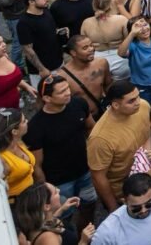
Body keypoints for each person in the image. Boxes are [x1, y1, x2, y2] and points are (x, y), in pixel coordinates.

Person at [24, 74, 97, 230]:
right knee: (64, 216)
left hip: (85, 172)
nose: (68, 93)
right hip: (60, 183)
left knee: (89, 205)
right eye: (62, 91)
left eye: (67, 88)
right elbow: (37, 165)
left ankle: (85, 237)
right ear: (47, 98)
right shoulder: (36, 127)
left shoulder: (79, 104)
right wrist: (46, 192)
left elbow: (91, 127)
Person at [87, 80, 151, 212]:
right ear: (115, 105)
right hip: (125, 193)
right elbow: (98, 176)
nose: (138, 102)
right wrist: (113, 208)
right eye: (131, 101)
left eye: (138, 96)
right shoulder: (100, 138)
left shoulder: (144, 106)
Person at [91, 172, 151, 245]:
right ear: (125, 202)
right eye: (136, 208)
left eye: (149, 204)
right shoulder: (107, 231)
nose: (143, 210)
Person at [12, 182, 94, 245]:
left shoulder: (36, 222)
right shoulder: (49, 239)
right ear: (47, 207)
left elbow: (47, 223)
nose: (59, 190)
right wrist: (83, 241)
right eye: (55, 192)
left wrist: (61, 210)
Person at [0, 107, 41, 201]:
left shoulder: (18, 142)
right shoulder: (1, 160)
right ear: (14, 131)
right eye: (23, 121)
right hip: (18, 203)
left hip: (30, 194)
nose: (27, 121)